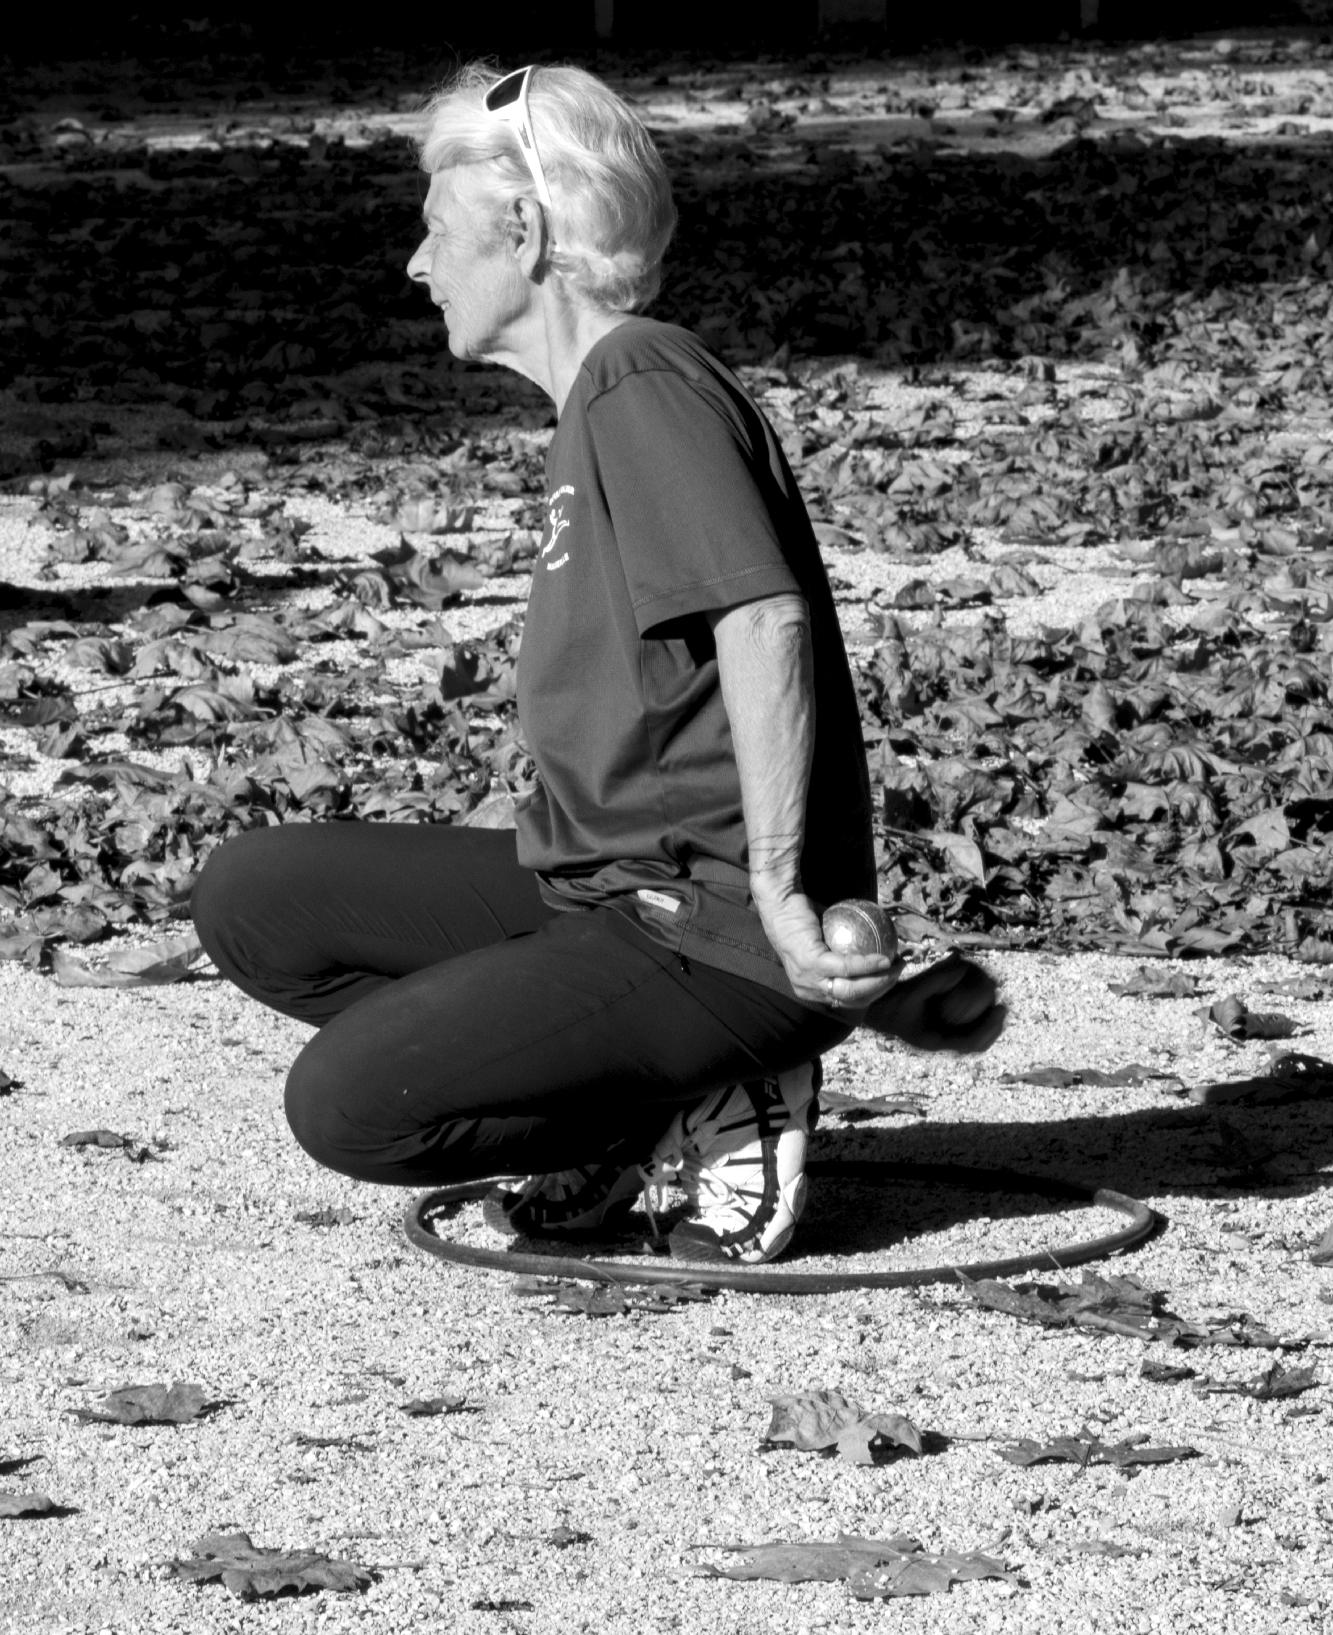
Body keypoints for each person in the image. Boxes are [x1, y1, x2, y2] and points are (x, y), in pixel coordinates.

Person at [191, 61, 1001, 1265]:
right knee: (256, 897)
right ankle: (648, 1099)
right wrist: (876, 993)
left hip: (698, 926)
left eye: (436, 229)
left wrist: (782, 900)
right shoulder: (599, 403)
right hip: (608, 893)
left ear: (521, 232)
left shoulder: (641, 379)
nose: (416, 264)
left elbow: (763, 622)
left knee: (348, 1104)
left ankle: (712, 1081)